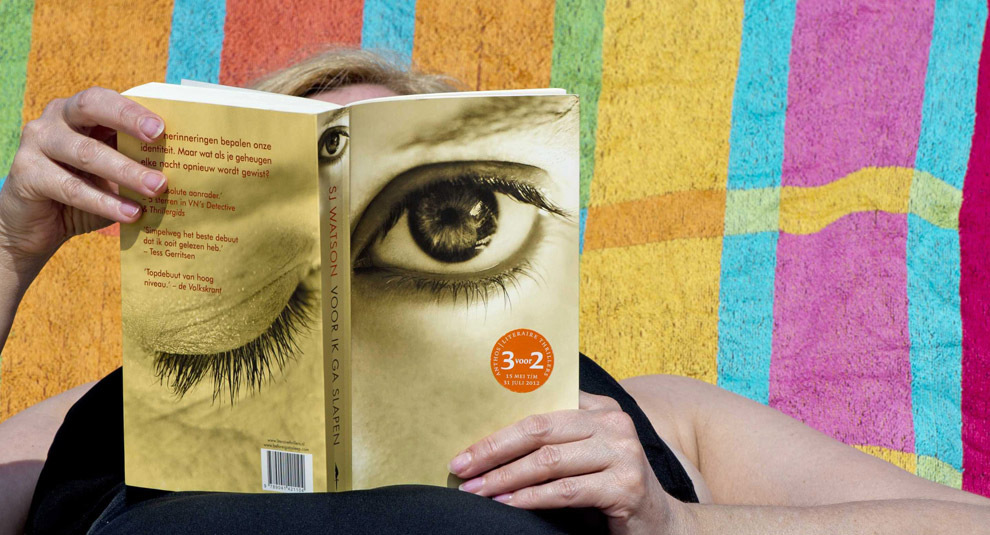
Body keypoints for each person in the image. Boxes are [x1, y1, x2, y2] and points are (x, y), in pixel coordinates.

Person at [0, 49, 987, 535]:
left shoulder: (645, 413)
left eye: (438, 214)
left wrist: (680, 522)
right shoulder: (113, 418)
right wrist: (11, 251)